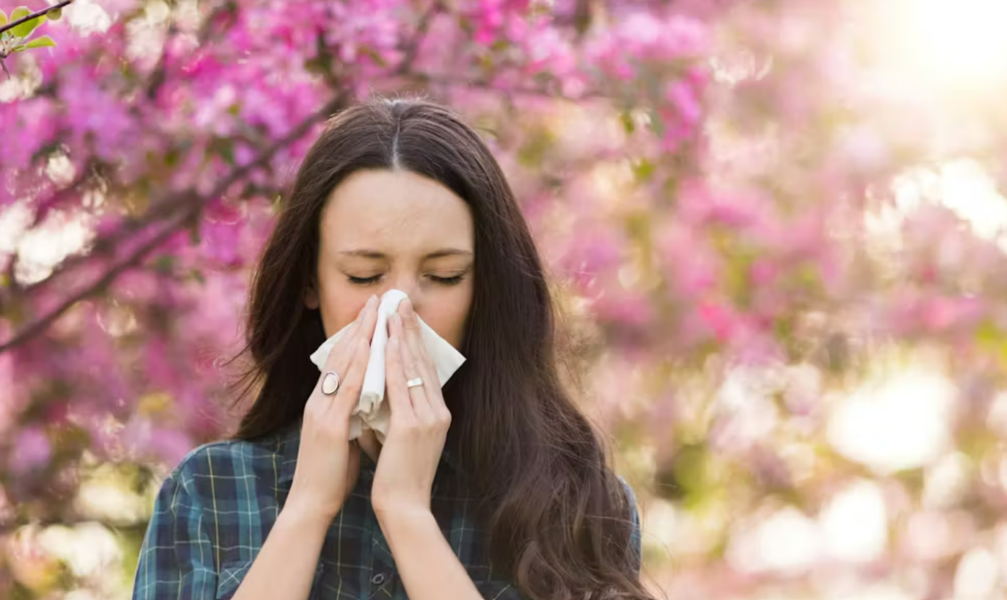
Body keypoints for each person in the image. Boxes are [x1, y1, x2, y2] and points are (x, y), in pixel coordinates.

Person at [131, 97, 649, 600]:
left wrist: (407, 515)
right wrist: (308, 506)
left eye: (444, 276)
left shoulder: (577, 507)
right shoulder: (209, 493)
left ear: (483, 286)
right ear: (310, 281)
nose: (400, 308)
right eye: (365, 275)